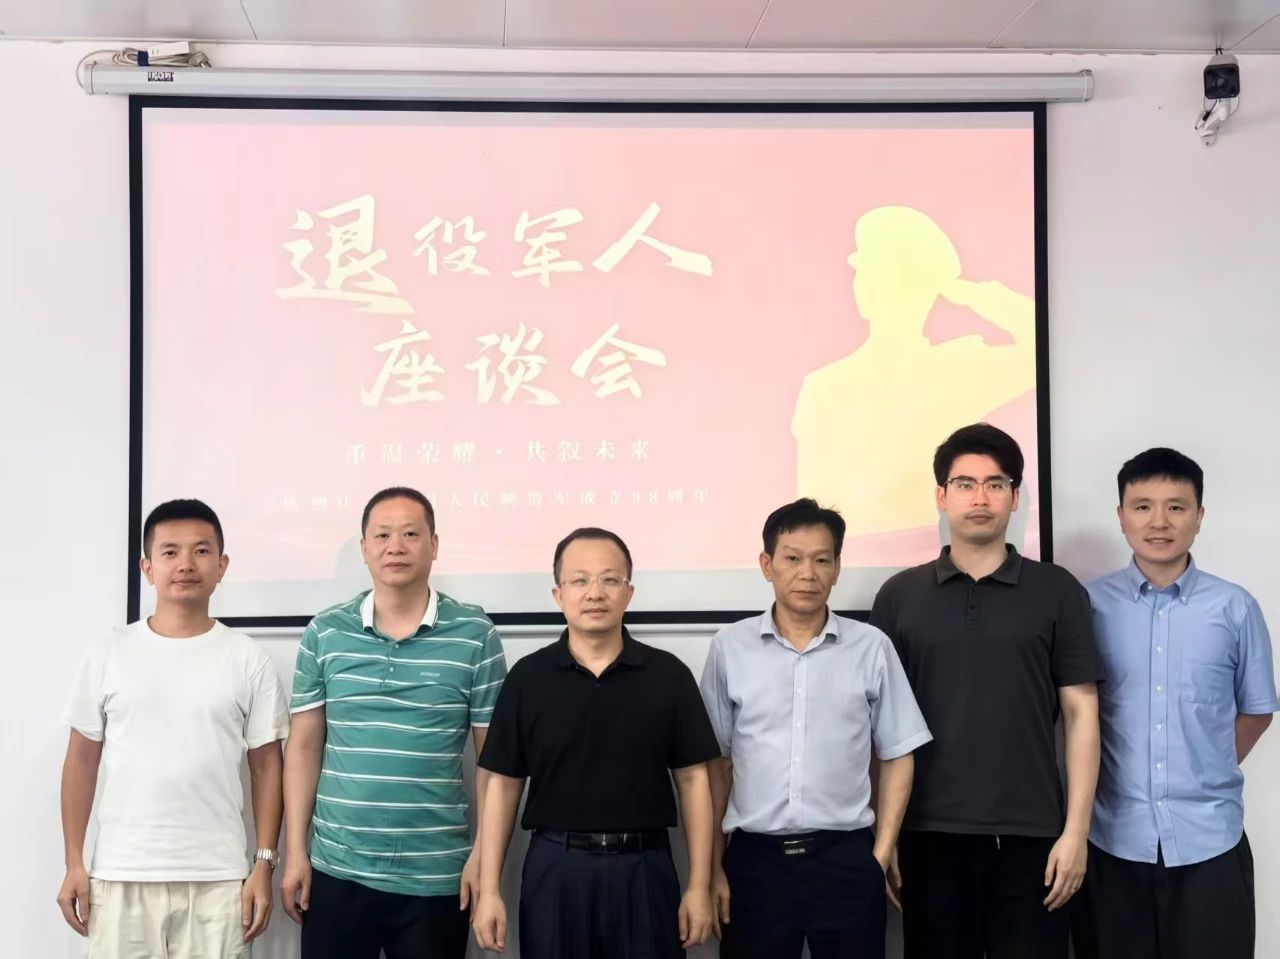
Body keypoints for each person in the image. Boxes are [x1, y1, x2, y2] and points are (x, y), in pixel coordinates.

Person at [869, 423, 1102, 959]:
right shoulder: (900, 596)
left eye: (996, 484)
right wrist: (886, 835)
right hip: (927, 833)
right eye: (965, 484)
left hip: (1034, 836)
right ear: (941, 496)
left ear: (1015, 498)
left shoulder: (1057, 590)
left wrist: (1076, 832)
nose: (980, 498)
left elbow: (1082, 713)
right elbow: (878, 728)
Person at [281, 487, 507, 959]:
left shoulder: (474, 634)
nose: (396, 547)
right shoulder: (326, 632)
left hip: (437, 875)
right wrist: (296, 852)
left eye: (410, 534)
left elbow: (494, 761)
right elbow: (303, 748)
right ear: (364, 548)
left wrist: (483, 859)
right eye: (382, 535)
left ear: (434, 545)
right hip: (336, 869)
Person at [471, 527, 718, 958]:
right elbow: (504, 786)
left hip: (644, 871)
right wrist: (490, 889)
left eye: (610, 580)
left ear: (629, 592)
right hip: (556, 870)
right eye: (580, 580)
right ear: (558, 594)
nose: (595, 593)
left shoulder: (669, 676)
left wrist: (699, 885)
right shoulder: (528, 678)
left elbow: (694, 781)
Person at [701, 498, 931, 958]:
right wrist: (713, 867)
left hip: (845, 858)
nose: (807, 573)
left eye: (821, 560)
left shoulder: (871, 647)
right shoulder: (730, 647)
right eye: (792, 558)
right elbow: (715, 766)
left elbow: (899, 753)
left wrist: (880, 854)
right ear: (767, 565)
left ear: (837, 568)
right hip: (755, 862)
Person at [58, 499, 289, 958]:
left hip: (219, 879)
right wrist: (73, 863)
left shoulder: (248, 659)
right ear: (147, 568)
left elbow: (267, 768)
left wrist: (264, 864)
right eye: (170, 552)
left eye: (201, 551)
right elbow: (81, 760)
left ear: (222, 566)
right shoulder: (108, 653)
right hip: (121, 874)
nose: (185, 564)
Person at [1074, 448, 1277, 959]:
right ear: (1121, 515)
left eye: (1176, 507)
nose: (1159, 522)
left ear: (1199, 516)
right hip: (1113, 842)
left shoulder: (1235, 608)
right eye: (1142, 506)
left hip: (1211, 842)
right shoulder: (1087, 607)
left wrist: (1205, 765)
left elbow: (1256, 710)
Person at [793, 205, 1036, 539]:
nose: (865, 285)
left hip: (941, 557)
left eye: (882, 276)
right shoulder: (825, 387)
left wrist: (974, 294)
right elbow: (811, 511)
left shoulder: (959, 369)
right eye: (867, 274)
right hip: (857, 556)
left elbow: (1040, 352)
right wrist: (972, 294)